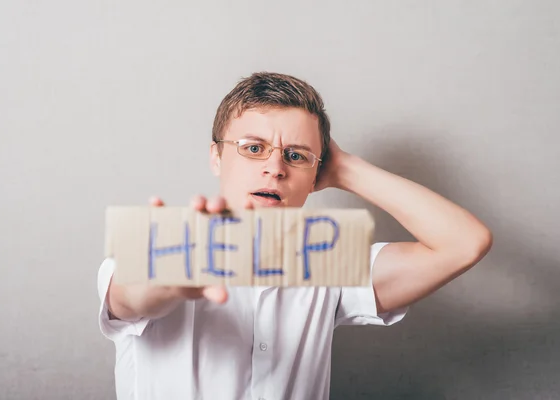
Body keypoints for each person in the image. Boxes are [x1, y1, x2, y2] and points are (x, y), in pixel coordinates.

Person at [97, 72, 492, 400]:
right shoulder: (157, 246)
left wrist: (346, 169)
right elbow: (132, 294)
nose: (275, 167)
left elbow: (464, 244)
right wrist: (171, 278)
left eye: (297, 155)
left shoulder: (327, 258)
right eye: (254, 148)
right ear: (216, 156)